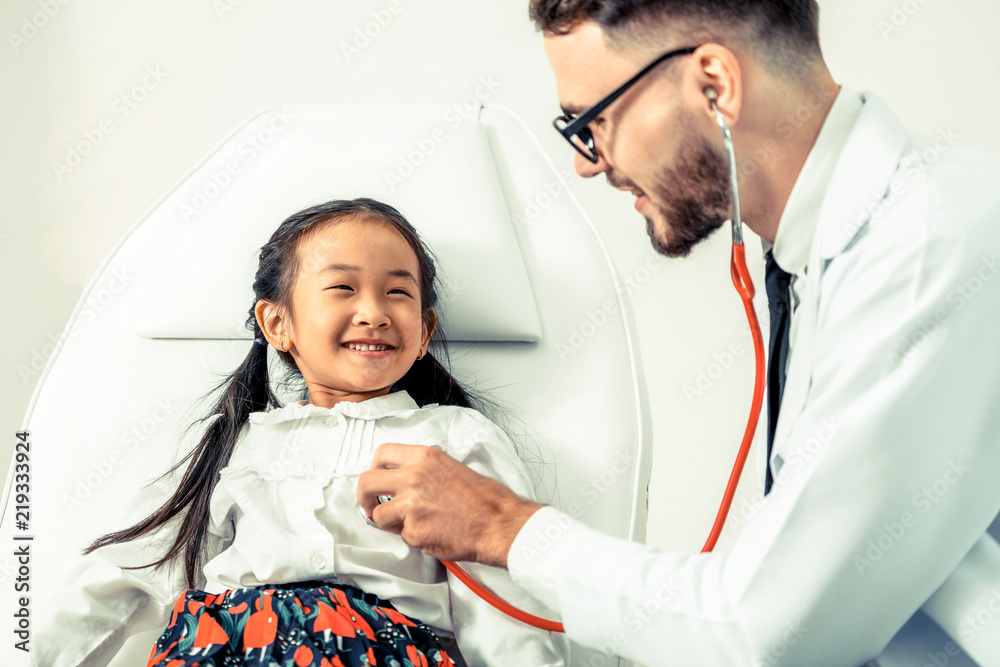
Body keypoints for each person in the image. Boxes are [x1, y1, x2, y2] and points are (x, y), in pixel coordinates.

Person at [357, 1, 1000, 665]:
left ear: (716, 86)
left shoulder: (932, 247)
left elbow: (765, 630)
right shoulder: (822, 259)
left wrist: (505, 526)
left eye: (594, 120)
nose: (586, 161)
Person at [33, 198, 566, 667]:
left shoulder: (453, 438)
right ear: (277, 325)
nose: (374, 313)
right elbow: (129, 575)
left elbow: (504, 591)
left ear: (424, 331)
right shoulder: (238, 445)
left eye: (398, 293)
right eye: (343, 288)